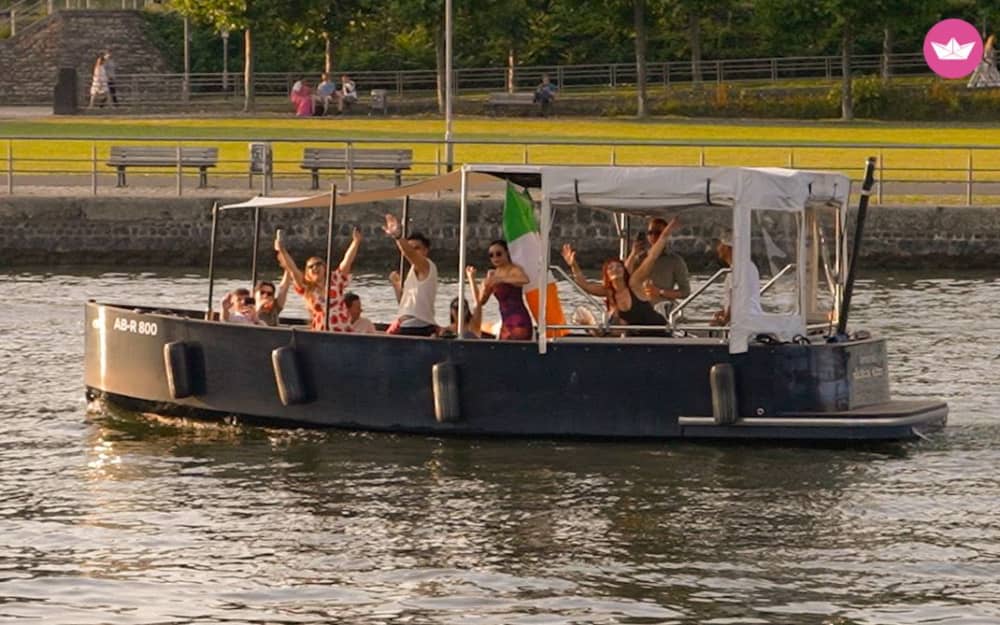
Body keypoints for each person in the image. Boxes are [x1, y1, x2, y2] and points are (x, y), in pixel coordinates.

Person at [561, 217, 680, 335]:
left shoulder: (634, 283)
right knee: (613, 324)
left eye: (619, 266)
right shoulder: (609, 292)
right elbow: (584, 285)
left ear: (624, 270)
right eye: (611, 268)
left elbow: (652, 257)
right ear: (606, 275)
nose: (615, 269)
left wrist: (665, 234)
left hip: (660, 333)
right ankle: (594, 331)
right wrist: (573, 265)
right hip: (636, 340)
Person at [275, 226, 362, 332]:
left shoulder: (335, 279)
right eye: (311, 267)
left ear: (325, 268)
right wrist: (282, 251)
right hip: (321, 331)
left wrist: (356, 242)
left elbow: (347, 261)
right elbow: (293, 270)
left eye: (318, 264)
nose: (315, 268)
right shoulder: (307, 287)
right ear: (308, 272)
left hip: (343, 330)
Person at [384, 214, 438, 336]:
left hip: (417, 326)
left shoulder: (426, 265)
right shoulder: (414, 271)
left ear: (426, 250)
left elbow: (409, 253)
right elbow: (405, 305)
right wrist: (397, 287)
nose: (414, 251)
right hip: (407, 325)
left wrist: (397, 236)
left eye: (417, 248)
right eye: (411, 247)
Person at [626, 217, 691, 315]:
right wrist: (633, 253)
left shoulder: (675, 261)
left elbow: (685, 291)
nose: (653, 236)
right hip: (640, 308)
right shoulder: (639, 258)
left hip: (663, 310)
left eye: (657, 233)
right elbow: (625, 277)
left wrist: (660, 292)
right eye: (650, 233)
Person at [475, 239, 533, 340]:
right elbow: (482, 301)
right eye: (491, 255)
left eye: (498, 254)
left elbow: (525, 279)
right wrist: (483, 285)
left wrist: (501, 279)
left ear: (507, 253)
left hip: (519, 322)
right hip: (506, 323)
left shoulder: (514, 269)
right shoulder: (493, 274)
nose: (495, 258)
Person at [711, 235, 763, 326]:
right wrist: (724, 311)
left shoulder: (737, 269)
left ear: (727, 248)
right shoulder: (747, 265)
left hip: (743, 322)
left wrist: (724, 321)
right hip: (750, 318)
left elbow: (735, 298)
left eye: (720, 244)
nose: (717, 247)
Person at [439, 266, 488, 339]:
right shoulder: (446, 330)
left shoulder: (473, 325)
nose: (460, 310)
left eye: (463, 307)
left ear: (467, 310)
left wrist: (471, 278)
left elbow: (477, 303)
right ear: (451, 311)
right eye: (456, 308)